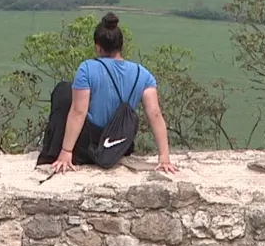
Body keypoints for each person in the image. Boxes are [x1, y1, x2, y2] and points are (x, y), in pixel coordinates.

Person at [37, 13, 179, 174]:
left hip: (89, 146)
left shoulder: (87, 68)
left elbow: (79, 111)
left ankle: (53, 152)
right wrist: (164, 157)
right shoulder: (143, 74)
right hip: (118, 146)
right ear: (121, 46)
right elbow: (155, 113)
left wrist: (66, 151)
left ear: (98, 46)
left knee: (63, 90)